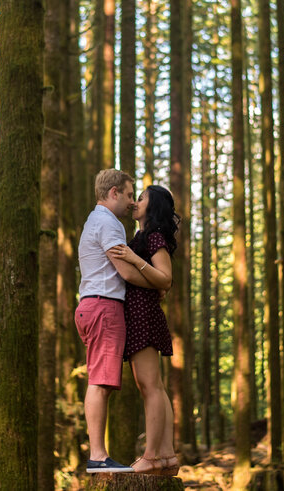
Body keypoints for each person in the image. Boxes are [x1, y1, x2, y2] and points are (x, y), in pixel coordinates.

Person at [75, 169, 159, 473]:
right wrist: (158, 282)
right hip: (103, 307)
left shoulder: (95, 220)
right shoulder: (109, 223)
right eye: (127, 194)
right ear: (113, 193)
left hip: (93, 306)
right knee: (99, 383)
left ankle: (99, 454)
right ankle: (98, 456)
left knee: (101, 382)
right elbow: (125, 272)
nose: (131, 202)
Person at [107, 185, 180, 476]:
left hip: (142, 314)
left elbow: (165, 278)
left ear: (153, 205)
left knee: (150, 387)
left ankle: (152, 456)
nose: (135, 202)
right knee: (155, 387)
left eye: (141, 198)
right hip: (141, 312)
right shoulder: (142, 235)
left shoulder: (153, 236)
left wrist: (134, 259)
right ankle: (166, 456)